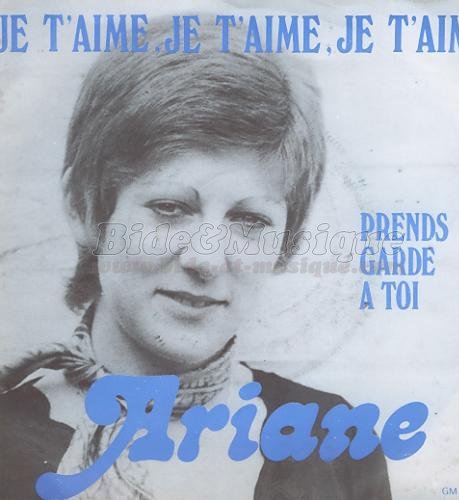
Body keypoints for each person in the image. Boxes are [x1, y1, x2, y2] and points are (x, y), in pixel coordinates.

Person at [0, 18, 391, 500]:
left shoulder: (335, 444)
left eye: (249, 219)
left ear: (285, 242)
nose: (205, 259)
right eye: (170, 208)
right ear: (85, 208)